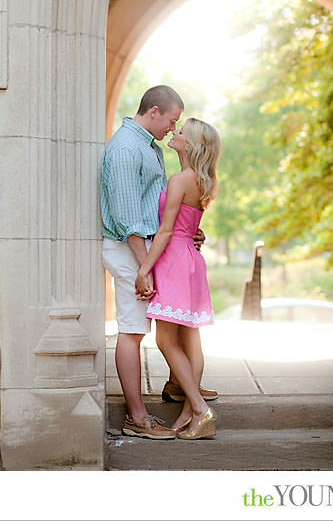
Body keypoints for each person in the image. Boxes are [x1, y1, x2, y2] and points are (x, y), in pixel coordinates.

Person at [100, 85, 214, 440]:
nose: (172, 129)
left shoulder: (147, 146)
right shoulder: (124, 149)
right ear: (153, 112)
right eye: (171, 120)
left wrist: (187, 233)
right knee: (133, 331)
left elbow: (166, 208)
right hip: (133, 251)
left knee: (176, 331)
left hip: (155, 251)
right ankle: (138, 416)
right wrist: (142, 268)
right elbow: (129, 216)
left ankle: (183, 394)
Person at [134, 118, 220, 439]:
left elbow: (167, 230)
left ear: (192, 145)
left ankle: (199, 407)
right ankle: (188, 413)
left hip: (173, 260)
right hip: (192, 261)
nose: (175, 132)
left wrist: (144, 269)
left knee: (165, 339)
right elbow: (188, 226)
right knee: (191, 338)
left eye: (182, 132)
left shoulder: (180, 179)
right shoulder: (203, 180)